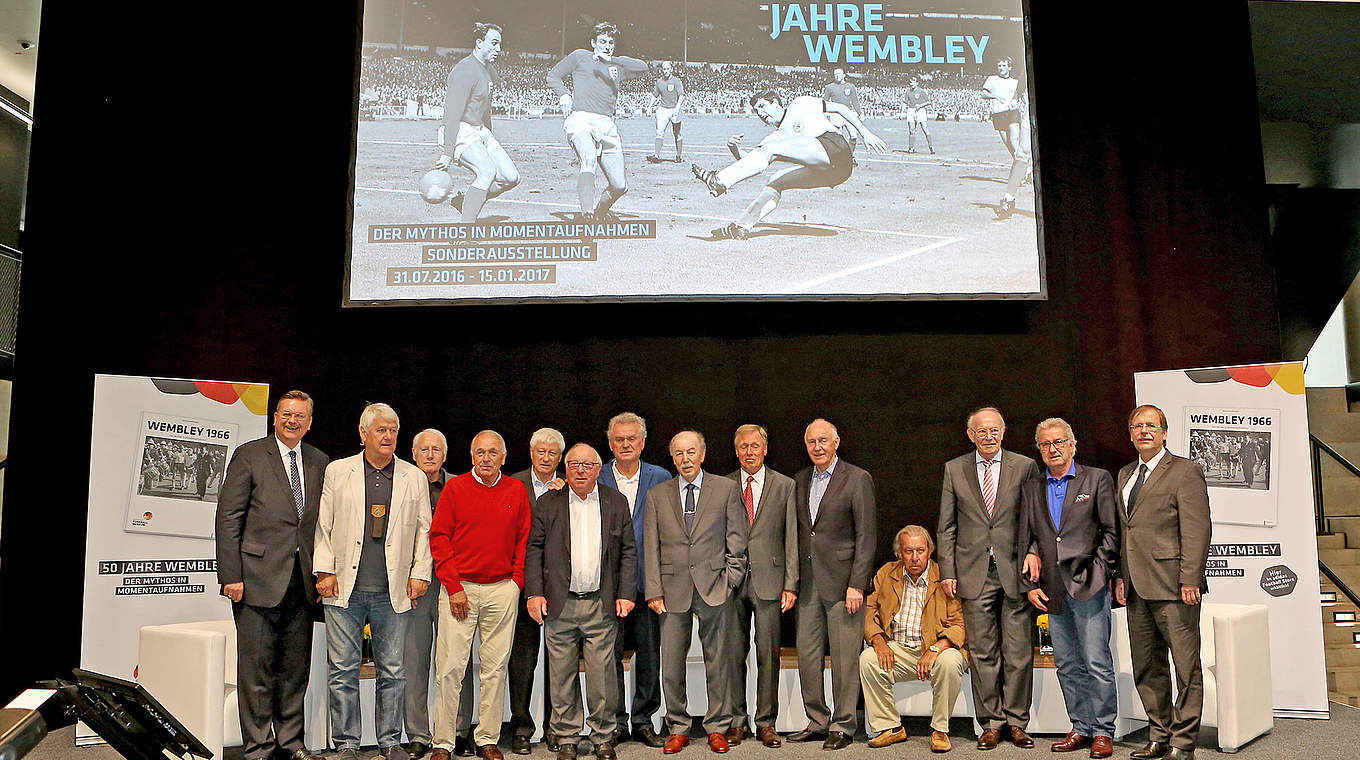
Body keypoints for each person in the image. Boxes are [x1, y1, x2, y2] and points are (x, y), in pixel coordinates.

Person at [314, 403, 434, 760]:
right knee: (342, 671)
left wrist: (419, 573)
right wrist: (324, 570)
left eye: (394, 430)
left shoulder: (413, 477)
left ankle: (389, 741)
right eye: (381, 429)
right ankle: (347, 743)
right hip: (344, 589)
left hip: (392, 591)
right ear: (363, 433)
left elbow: (425, 531)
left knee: (394, 671)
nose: (388, 436)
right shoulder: (339, 471)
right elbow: (324, 524)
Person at [215, 391, 329, 760]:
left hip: (302, 582)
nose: (292, 421)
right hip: (256, 580)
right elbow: (228, 518)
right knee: (256, 671)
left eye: (300, 416)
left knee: (295, 670)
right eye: (286, 414)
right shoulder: (250, 454)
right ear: (275, 417)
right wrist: (231, 575)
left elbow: (321, 524)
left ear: (310, 422)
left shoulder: (319, 460)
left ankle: (291, 742)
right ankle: (259, 746)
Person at [525, 443, 637, 760]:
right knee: (561, 676)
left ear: (599, 469)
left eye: (587, 464)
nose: (580, 470)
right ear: (566, 468)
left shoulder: (616, 502)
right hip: (560, 604)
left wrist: (626, 593)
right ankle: (567, 737)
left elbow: (629, 551)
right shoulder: (548, 503)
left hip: (601, 603)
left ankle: (603, 736)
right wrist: (534, 592)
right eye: (574, 464)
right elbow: (534, 550)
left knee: (602, 676)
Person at [937, 406, 1040, 751]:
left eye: (994, 430)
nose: (988, 437)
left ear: (1004, 431)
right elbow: (947, 526)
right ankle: (992, 723)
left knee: (1018, 651)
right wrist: (948, 571)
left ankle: (1017, 721)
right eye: (981, 432)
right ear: (971, 435)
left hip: (1015, 570)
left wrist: (1034, 552)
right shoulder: (955, 469)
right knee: (982, 652)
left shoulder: (1024, 466)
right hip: (973, 572)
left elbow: (1037, 519)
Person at [1017, 419, 1119, 758]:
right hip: (1052, 589)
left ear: (1073, 444)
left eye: (1059, 442)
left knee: (1096, 662)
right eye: (1045, 444)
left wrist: (1100, 573)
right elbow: (1030, 536)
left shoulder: (1097, 478)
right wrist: (1030, 578)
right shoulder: (1032, 485)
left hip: (1090, 585)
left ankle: (1104, 731)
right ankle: (1081, 726)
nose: (1053, 449)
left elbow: (1111, 532)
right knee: (1068, 664)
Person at [1115, 406, 1212, 760]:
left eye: (1151, 425)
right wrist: (1120, 576)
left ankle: (1183, 743)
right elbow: (1126, 531)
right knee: (1146, 665)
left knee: (1186, 667)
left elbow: (1197, 530)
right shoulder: (1125, 473)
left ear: (1165, 432)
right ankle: (1159, 735)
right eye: (1137, 425)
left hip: (1175, 587)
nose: (1144, 431)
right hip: (1136, 587)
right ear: (1130, 433)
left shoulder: (1186, 471)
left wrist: (1191, 578)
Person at [429, 431, 532, 760]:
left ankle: (487, 737)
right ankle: (442, 742)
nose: (486, 458)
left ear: (504, 457)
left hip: (502, 590)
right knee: (450, 669)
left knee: (495, 669)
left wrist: (516, 582)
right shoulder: (455, 488)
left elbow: (523, 538)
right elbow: (439, 537)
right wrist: (454, 586)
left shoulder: (516, 490)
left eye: (493, 453)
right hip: (460, 591)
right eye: (480, 452)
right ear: (471, 456)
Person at [644, 430, 748, 755]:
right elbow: (651, 547)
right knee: (671, 663)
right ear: (672, 458)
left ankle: (717, 726)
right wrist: (653, 590)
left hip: (715, 589)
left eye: (691, 453)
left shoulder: (726, 489)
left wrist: (730, 581)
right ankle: (678, 726)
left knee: (718, 662)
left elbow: (737, 541)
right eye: (678, 454)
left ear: (702, 454)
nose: (685, 459)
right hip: (671, 592)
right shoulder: (657, 495)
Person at [690, 90, 887, 240]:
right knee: (775, 181)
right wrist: (733, 148)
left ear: (775, 102)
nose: (760, 113)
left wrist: (866, 133)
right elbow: (752, 160)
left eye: (762, 106)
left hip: (835, 148)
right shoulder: (776, 138)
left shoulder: (799, 104)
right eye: (756, 111)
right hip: (835, 173)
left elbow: (841, 109)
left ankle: (719, 180)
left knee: (770, 149)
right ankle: (741, 227)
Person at [788, 419, 876, 751]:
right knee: (808, 657)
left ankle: (843, 724)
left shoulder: (857, 478)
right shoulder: (798, 481)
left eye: (824, 440)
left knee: (844, 658)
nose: (817, 447)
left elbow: (867, 537)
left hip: (844, 587)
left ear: (837, 442)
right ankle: (817, 720)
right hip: (808, 585)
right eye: (811, 441)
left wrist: (858, 583)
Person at [859, 525, 968, 754]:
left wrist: (936, 648)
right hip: (898, 650)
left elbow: (959, 625)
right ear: (900, 553)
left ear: (929, 551)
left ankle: (940, 731)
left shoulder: (943, 577)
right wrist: (879, 642)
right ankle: (890, 727)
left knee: (950, 662)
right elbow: (869, 612)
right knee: (868, 659)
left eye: (920, 550)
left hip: (935, 650)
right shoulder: (886, 573)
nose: (915, 557)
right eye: (909, 551)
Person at [597, 412, 671, 747]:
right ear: (610, 443)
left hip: (648, 584)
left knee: (649, 654)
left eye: (632, 439)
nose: (625, 445)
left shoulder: (661, 476)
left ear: (642, 442)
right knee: (606, 656)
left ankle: (643, 720)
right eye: (618, 439)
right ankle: (614, 722)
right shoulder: (593, 476)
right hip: (605, 586)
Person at [403, 429, 477, 760]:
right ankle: (419, 733)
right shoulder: (400, 483)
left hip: (455, 583)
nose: (430, 454)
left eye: (437, 450)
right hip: (413, 584)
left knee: (456, 661)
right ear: (413, 454)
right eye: (424, 449)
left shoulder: (463, 486)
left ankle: (460, 731)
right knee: (415, 661)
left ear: (445, 456)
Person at [724, 424, 798, 748]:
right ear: (736, 450)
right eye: (743, 446)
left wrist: (791, 583)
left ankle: (766, 722)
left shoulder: (785, 485)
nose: (749, 452)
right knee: (733, 655)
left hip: (771, 581)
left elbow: (792, 537)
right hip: (731, 583)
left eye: (755, 446)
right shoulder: (722, 485)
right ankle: (736, 722)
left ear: (765, 449)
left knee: (769, 655)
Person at [547, 22, 649, 221]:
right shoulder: (580, 56)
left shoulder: (617, 65)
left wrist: (612, 59)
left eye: (611, 42)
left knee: (620, 186)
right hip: (581, 119)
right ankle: (586, 216)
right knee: (589, 158)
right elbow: (553, 76)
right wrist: (564, 95)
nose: (607, 45)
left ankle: (599, 215)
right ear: (593, 42)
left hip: (607, 125)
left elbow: (643, 67)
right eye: (602, 41)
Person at [507, 428, 567, 754]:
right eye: (541, 452)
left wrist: (565, 495)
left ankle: (554, 727)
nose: (546, 458)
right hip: (520, 585)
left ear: (560, 457)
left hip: (559, 585)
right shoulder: (513, 484)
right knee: (522, 660)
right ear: (531, 453)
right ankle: (521, 726)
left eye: (553, 454)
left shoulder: (570, 487)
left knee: (558, 660)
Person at [436, 23, 520, 223]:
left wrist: (488, 136)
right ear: (479, 43)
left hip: (480, 130)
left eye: (500, 44)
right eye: (494, 43)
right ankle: (466, 231)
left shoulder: (490, 71)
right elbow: (452, 114)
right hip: (460, 130)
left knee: (511, 177)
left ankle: (466, 202)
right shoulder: (463, 71)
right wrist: (448, 153)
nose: (498, 49)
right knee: (487, 171)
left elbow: (485, 108)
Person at [980, 56, 1030, 219]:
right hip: (1007, 114)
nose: (1001, 67)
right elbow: (1019, 91)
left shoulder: (1015, 80)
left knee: (1015, 143)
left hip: (1013, 115)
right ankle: (1009, 198)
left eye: (1004, 65)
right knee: (1020, 151)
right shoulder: (999, 79)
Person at [647, 61, 685, 163]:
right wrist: (649, 107)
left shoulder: (676, 81)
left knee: (677, 133)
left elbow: (681, 95)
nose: (666, 71)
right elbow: (655, 95)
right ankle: (656, 155)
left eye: (668, 69)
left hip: (674, 109)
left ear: (671, 69)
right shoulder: (659, 82)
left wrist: (677, 108)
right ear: (661, 70)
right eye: (664, 69)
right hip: (662, 109)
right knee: (659, 132)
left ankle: (678, 156)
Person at [904, 75, 935, 154]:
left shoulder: (921, 91)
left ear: (916, 83)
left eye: (913, 82)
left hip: (920, 111)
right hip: (911, 110)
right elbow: (905, 102)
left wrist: (920, 105)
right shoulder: (907, 92)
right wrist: (902, 111)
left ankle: (931, 146)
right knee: (911, 130)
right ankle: (911, 148)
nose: (911, 84)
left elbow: (928, 102)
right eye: (910, 82)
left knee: (924, 129)